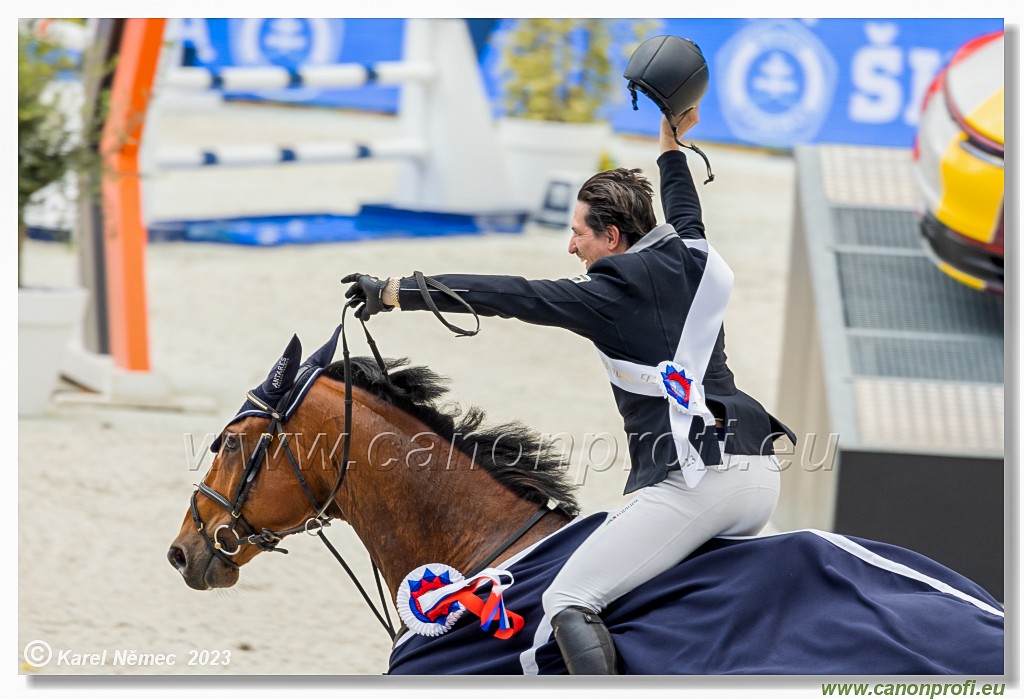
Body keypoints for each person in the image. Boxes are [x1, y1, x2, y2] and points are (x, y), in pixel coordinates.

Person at [344, 110, 795, 674]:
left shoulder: (609, 295)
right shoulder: (693, 257)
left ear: (611, 237)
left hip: (703, 482)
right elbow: (684, 206)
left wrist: (398, 291)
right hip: (759, 472)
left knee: (567, 599)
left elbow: (513, 294)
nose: (570, 247)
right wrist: (671, 144)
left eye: (578, 233)